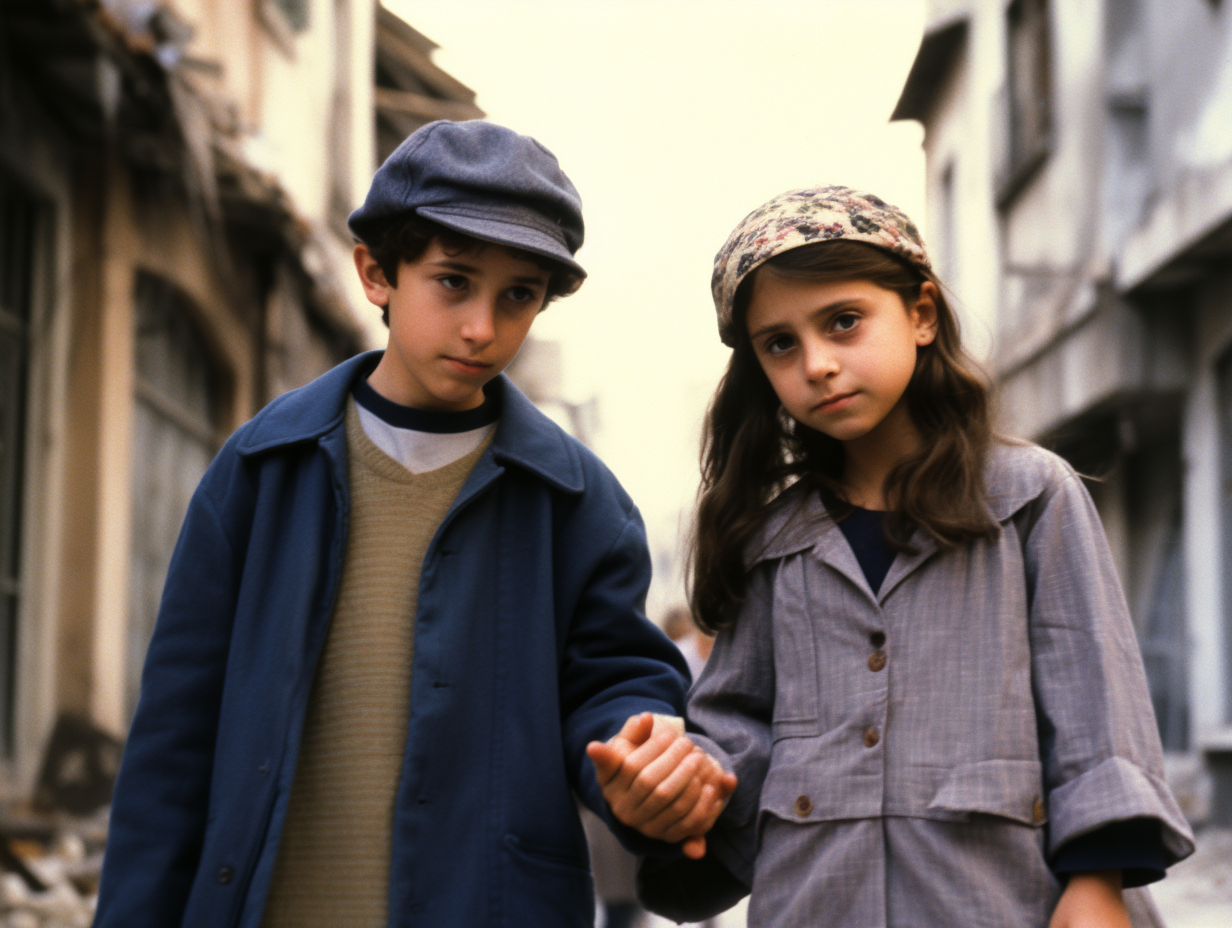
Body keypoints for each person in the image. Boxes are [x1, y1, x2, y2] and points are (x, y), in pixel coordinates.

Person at [92, 120, 729, 928]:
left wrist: (638, 757)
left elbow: (615, 685)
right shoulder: (260, 470)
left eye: (518, 296)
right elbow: (173, 747)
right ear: (376, 272)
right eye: (454, 282)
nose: (481, 327)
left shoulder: (579, 503)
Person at [637, 186, 1195, 928]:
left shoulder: (1030, 498)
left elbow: (1095, 703)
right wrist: (683, 787)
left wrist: (1097, 882)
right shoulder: (769, 544)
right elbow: (738, 732)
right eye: (781, 343)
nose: (818, 364)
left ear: (921, 314)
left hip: (1006, 905)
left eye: (843, 322)